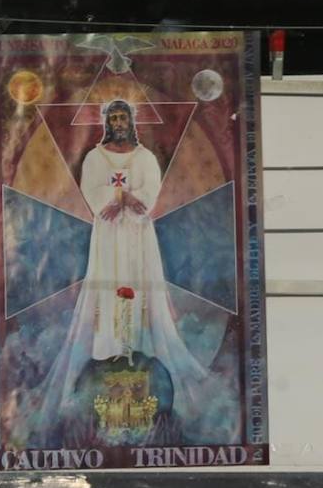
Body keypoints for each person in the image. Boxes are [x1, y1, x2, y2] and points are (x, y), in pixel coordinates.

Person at [36, 99, 207, 438]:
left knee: (141, 288)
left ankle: (141, 350)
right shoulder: (95, 158)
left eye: (122, 116)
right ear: (106, 122)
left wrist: (126, 200)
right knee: (107, 288)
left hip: (138, 235)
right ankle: (108, 351)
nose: (117, 122)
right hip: (109, 235)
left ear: (131, 121)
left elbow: (149, 193)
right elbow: (93, 192)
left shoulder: (144, 158)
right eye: (112, 117)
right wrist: (119, 197)